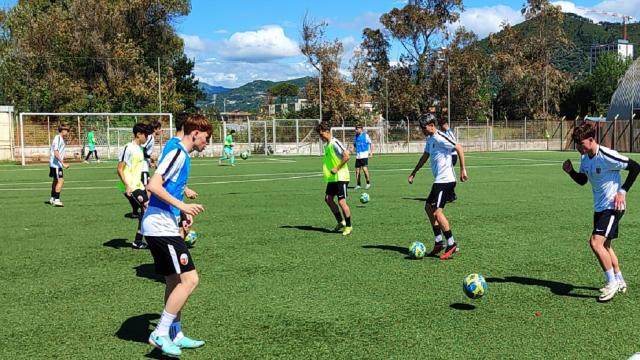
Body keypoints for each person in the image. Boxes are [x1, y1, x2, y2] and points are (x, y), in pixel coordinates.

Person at [141, 114, 212, 356]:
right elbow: (153, 185)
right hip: (159, 227)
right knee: (190, 280)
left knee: (174, 281)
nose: (207, 142)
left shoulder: (183, 156)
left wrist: (181, 215)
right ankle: (160, 333)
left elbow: (172, 188)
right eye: (207, 137)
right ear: (195, 133)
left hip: (166, 224)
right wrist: (182, 207)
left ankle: (175, 334)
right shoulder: (178, 153)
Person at [562, 122, 640, 302]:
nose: (578, 148)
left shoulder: (606, 155)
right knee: (605, 246)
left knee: (595, 243)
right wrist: (570, 172)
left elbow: (635, 167)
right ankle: (619, 280)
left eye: (580, 144)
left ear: (591, 140)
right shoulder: (584, 158)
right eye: (576, 144)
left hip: (613, 206)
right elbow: (583, 180)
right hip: (599, 207)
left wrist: (622, 191)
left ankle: (611, 283)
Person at [408, 115, 468, 260]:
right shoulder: (429, 140)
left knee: (437, 212)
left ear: (432, 125)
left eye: (424, 127)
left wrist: (462, 169)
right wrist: (414, 172)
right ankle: (438, 241)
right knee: (428, 207)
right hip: (439, 181)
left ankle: (451, 243)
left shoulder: (440, 136)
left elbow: (458, 147)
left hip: (446, 180)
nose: (422, 130)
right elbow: (425, 156)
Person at [117, 123, 150, 249]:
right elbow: (120, 169)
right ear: (138, 134)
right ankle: (142, 240)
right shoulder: (128, 147)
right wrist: (126, 186)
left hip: (138, 185)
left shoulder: (140, 149)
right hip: (130, 185)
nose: (146, 138)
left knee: (146, 210)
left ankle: (139, 240)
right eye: (145, 135)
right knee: (146, 207)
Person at [316, 121, 352, 236]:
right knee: (328, 199)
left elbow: (347, 156)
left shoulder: (334, 143)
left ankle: (349, 226)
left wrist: (337, 168)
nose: (320, 137)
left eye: (321, 134)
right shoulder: (328, 145)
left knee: (341, 202)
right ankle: (340, 222)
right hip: (333, 178)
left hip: (341, 177)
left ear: (327, 132)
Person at [49, 125, 70, 207]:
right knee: (61, 181)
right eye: (67, 130)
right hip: (56, 164)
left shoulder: (60, 139)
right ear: (62, 130)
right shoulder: (57, 138)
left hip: (54, 163)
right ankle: (57, 200)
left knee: (55, 180)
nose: (68, 132)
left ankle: (52, 198)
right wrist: (63, 163)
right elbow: (56, 152)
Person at [438, 118, 457, 201]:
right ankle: (451, 195)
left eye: (441, 126)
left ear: (444, 125)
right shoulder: (445, 132)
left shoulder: (449, 132)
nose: (440, 128)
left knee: (447, 175)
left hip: (452, 156)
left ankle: (451, 195)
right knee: (447, 175)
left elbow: (455, 144)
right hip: (448, 156)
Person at [142, 120, 162, 186]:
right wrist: (150, 157)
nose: (160, 130)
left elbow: (145, 151)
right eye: (159, 128)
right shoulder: (150, 137)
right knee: (145, 188)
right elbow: (141, 149)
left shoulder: (150, 137)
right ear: (155, 129)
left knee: (147, 186)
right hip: (142, 167)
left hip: (144, 166)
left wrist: (150, 161)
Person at [353, 124, 373, 190]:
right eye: (356, 129)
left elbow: (371, 143)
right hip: (358, 156)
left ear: (361, 129)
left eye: (357, 129)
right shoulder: (356, 136)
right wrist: (353, 149)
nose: (356, 130)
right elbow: (354, 144)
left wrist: (371, 153)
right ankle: (358, 184)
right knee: (357, 171)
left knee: (364, 170)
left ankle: (368, 183)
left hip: (364, 155)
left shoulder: (365, 135)